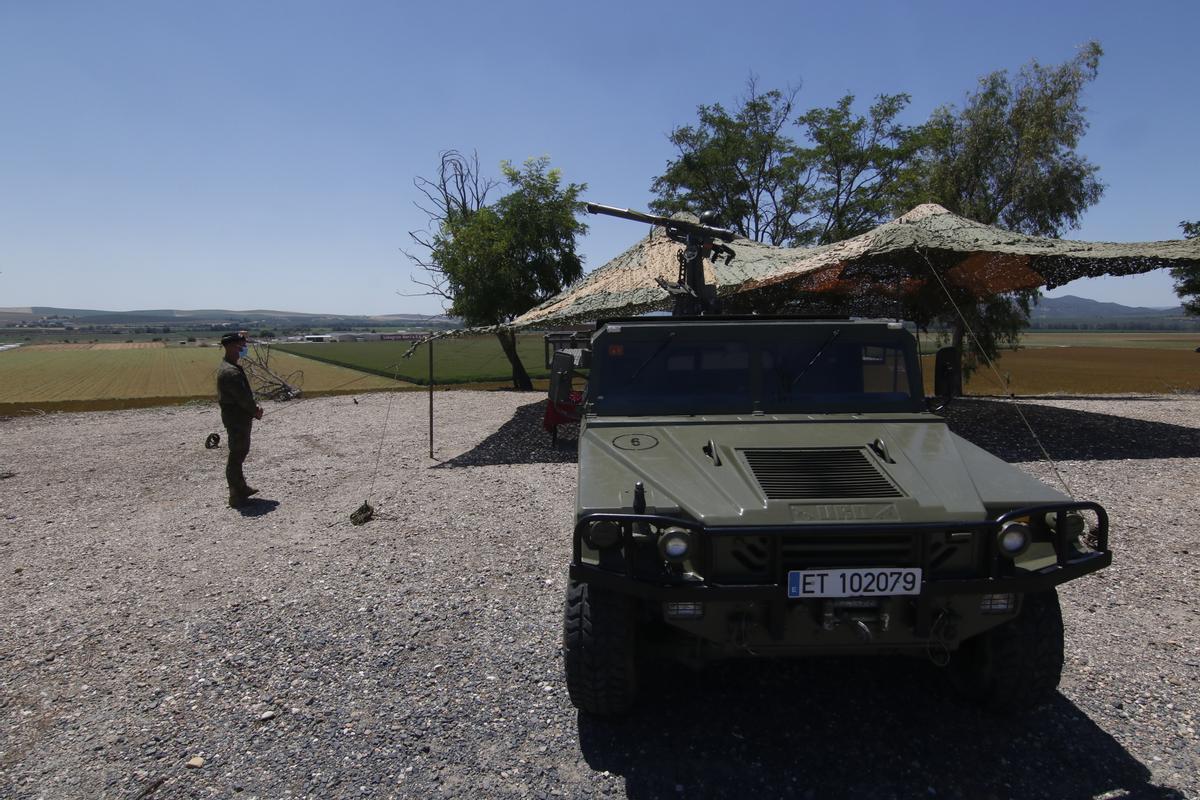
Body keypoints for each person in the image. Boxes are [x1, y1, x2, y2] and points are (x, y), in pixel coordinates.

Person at [217, 331, 263, 508]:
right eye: (241, 345)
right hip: (237, 418)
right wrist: (255, 411)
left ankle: (240, 488)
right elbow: (242, 398)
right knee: (237, 455)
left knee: (239, 453)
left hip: (237, 417)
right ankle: (236, 494)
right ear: (231, 346)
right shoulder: (231, 373)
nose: (244, 348)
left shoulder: (230, 367)